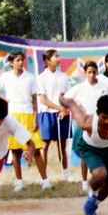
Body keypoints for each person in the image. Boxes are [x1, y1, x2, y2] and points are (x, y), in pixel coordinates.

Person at [0, 52, 50, 191]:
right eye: (18, 60)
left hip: (28, 114)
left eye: (22, 60)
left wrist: (36, 117)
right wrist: (4, 102)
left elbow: (35, 99)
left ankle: (45, 181)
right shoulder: (5, 77)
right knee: (15, 151)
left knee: (36, 150)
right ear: (11, 62)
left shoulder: (30, 78)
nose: (20, 62)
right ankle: (19, 182)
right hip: (13, 115)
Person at [64, 60, 107, 194]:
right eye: (89, 72)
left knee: (98, 153)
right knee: (84, 154)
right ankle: (84, 181)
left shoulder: (103, 87)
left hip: (98, 124)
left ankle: (97, 180)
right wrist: (76, 108)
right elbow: (65, 99)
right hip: (83, 124)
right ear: (85, 73)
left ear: (97, 72)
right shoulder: (79, 88)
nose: (92, 75)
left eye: (94, 72)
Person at [36, 49, 74, 182]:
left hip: (63, 115)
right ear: (47, 60)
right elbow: (43, 100)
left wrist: (65, 109)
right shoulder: (41, 78)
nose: (59, 58)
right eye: (56, 56)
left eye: (59, 56)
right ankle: (44, 178)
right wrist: (59, 108)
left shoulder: (64, 76)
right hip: (47, 114)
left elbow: (67, 96)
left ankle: (66, 174)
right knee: (44, 146)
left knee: (62, 146)